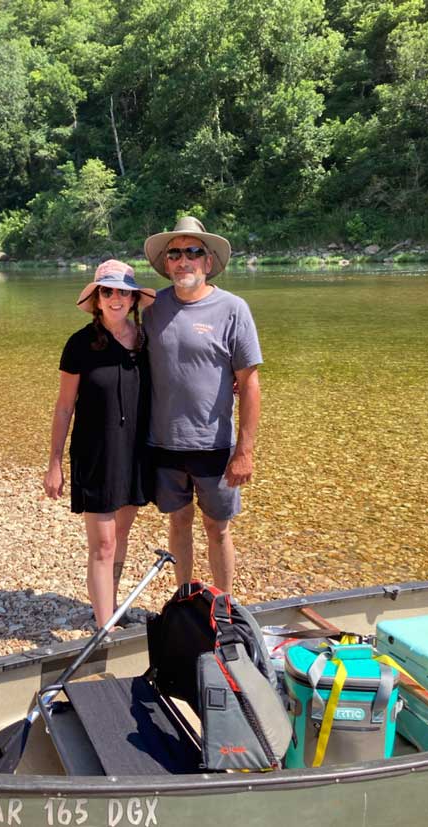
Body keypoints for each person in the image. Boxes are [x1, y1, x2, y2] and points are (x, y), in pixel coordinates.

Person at [143, 216, 262, 593]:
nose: (183, 260)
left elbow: (250, 383)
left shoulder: (233, 309)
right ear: (167, 263)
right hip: (162, 444)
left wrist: (245, 451)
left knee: (218, 528)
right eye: (175, 253)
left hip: (215, 446)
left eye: (193, 251)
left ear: (208, 262)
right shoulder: (149, 308)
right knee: (178, 522)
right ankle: (184, 597)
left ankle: (224, 605)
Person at [43, 260, 156, 628]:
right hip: (95, 455)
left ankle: (111, 605)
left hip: (135, 453)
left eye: (124, 291)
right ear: (97, 298)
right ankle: (104, 626)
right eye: (108, 291)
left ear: (134, 299)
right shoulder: (79, 345)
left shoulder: (145, 341)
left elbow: (184, 373)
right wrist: (55, 463)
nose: (116, 298)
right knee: (103, 544)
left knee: (121, 534)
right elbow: (63, 408)